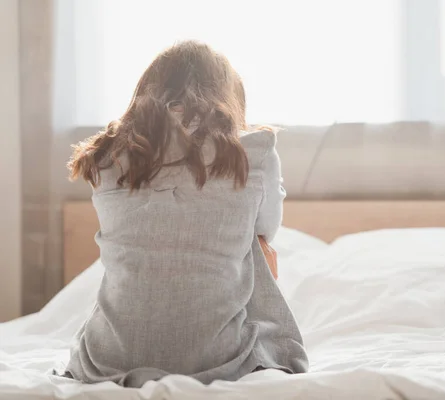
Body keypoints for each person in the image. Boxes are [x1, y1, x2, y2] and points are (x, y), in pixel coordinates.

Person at [64, 40, 308, 388]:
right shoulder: (254, 150)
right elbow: (267, 228)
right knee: (253, 243)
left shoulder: (107, 156)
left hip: (109, 357)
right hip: (216, 357)